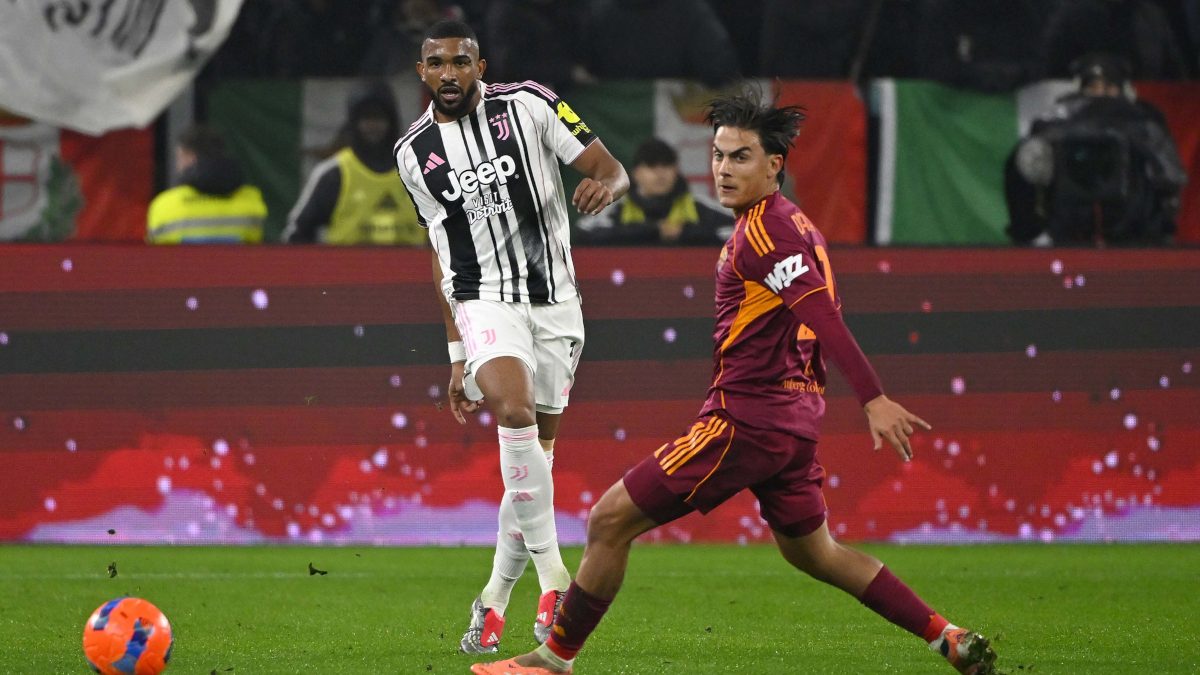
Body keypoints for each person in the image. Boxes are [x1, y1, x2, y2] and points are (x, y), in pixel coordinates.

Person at [472, 91, 999, 675]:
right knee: (816, 553)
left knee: (609, 520)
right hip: (794, 423)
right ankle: (945, 636)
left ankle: (552, 660)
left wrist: (873, 397)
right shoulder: (793, 223)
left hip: (745, 420)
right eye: (719, 155)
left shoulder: (766, 233)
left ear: (774, 165)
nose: (724, 169)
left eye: (740, 157)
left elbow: (821, 314)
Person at [392, 20, 629, 655]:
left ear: (480, 67)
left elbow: (612, 168)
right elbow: (441, 253)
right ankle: (556, 581)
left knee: (535, 464)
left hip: (557, 301)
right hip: (484, 297)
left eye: (459, 62)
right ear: (421, 72)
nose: (448, 73)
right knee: (515, 411)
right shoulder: (413, 152)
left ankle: (494, 598)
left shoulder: (531, 104)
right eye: (436, 63)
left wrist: (606, 187)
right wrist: (456, 353)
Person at [1005, 52, 1188, 246]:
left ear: (1121, 89)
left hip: (1132, 229)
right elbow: (1025, 167)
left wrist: (1161, 225)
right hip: (1069, 225)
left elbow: (1170, 176)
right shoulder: (1057, 119)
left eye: (1108, 88)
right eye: (1093, 87)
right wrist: (1028, 226)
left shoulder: (1143, 120)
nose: (1100, 95)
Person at [283, 80, 424, 245]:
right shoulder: (334, 173)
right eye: (366, 118)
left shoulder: (419, 171)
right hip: (347, 262)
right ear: (353, 123)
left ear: (392, 122)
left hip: (410, 261)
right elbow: (297, 233)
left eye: (379, 118)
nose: (373, 126)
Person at [575, 137, 733, 246]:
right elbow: (583, 234)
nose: (660, 173)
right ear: (636, 173)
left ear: (676, 170)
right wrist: (653, 231)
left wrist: (686, 232)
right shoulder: (617, 208)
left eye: (666, 165)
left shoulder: (698, 205)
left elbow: (737, 231)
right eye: (651, 166)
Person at [146, 125, 266, 244]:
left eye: (179, 157)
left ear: (190, 158)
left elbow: (154, 250)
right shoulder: (252, 202)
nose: (177, 165)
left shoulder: (164, 205)